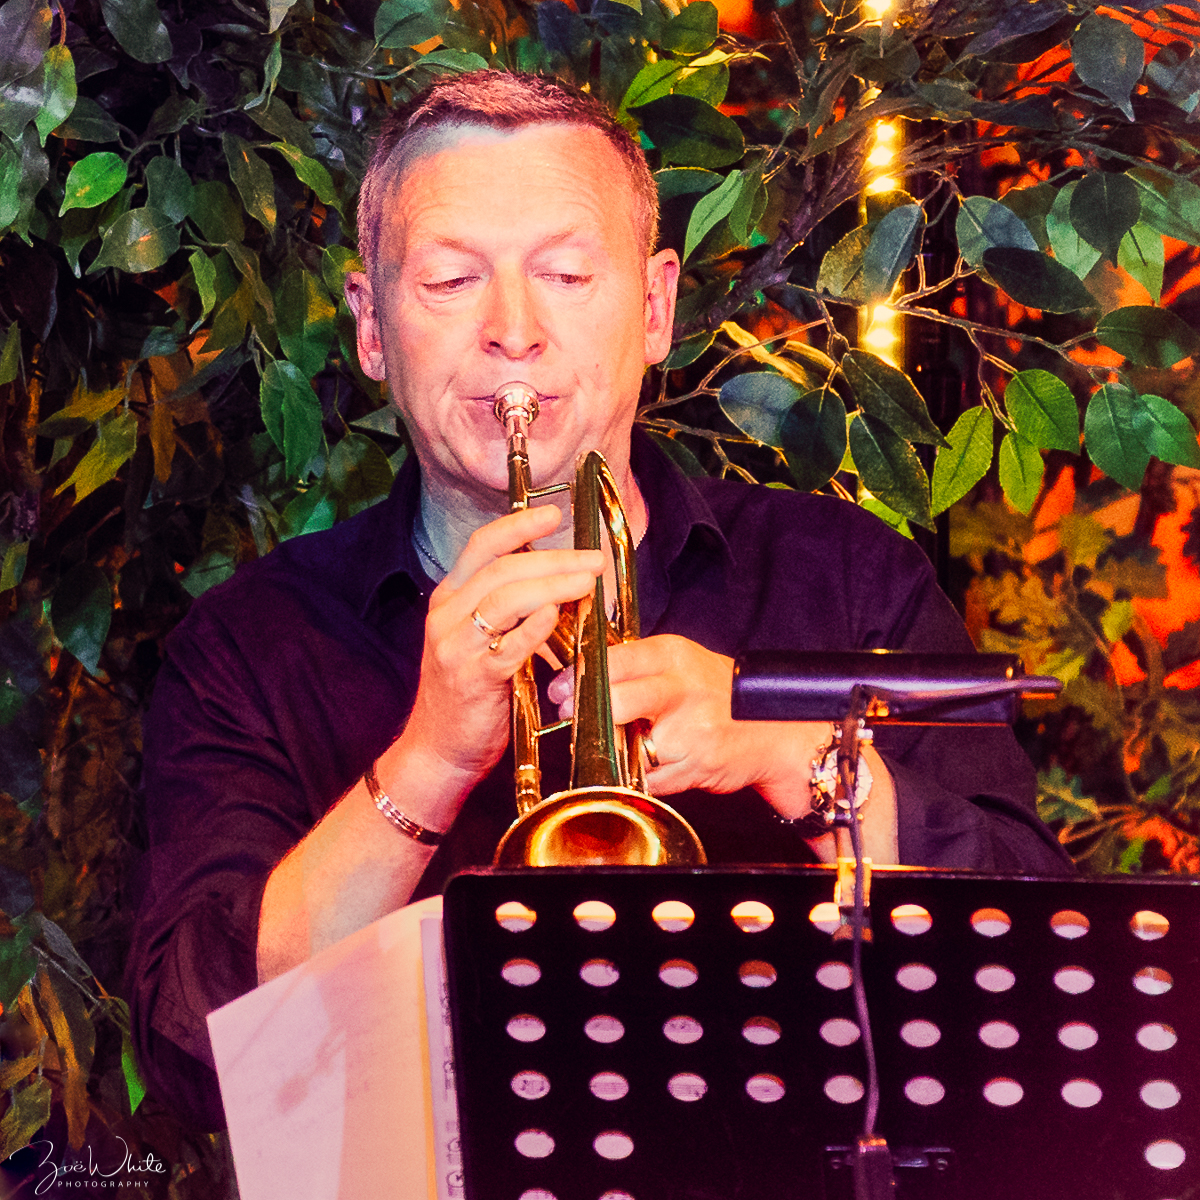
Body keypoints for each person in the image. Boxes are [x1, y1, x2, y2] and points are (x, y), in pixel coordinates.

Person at [127, 70, 1071, 1131]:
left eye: (567, 274)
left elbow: (1035, 959)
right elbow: (200, 1058)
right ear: (372, 327)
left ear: (655, 308)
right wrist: (429, 761)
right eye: (450, 280)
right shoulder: (251, 646)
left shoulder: (847, 578)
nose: (513, 330)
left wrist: (791, 758)